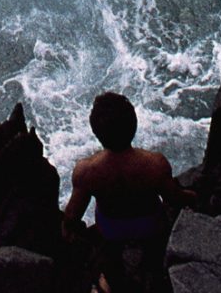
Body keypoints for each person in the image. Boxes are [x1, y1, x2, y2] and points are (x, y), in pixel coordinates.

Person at [64, 93, 190, 293]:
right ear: (134, 125)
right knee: (155, 263)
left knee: (110, 263)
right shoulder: (155, 164)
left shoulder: (86, 171)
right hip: (151, 227)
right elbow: (174, 198)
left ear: (96, 132)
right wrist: (194, 196)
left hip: (111, 231)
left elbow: (71, 217)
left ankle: (109, 281)